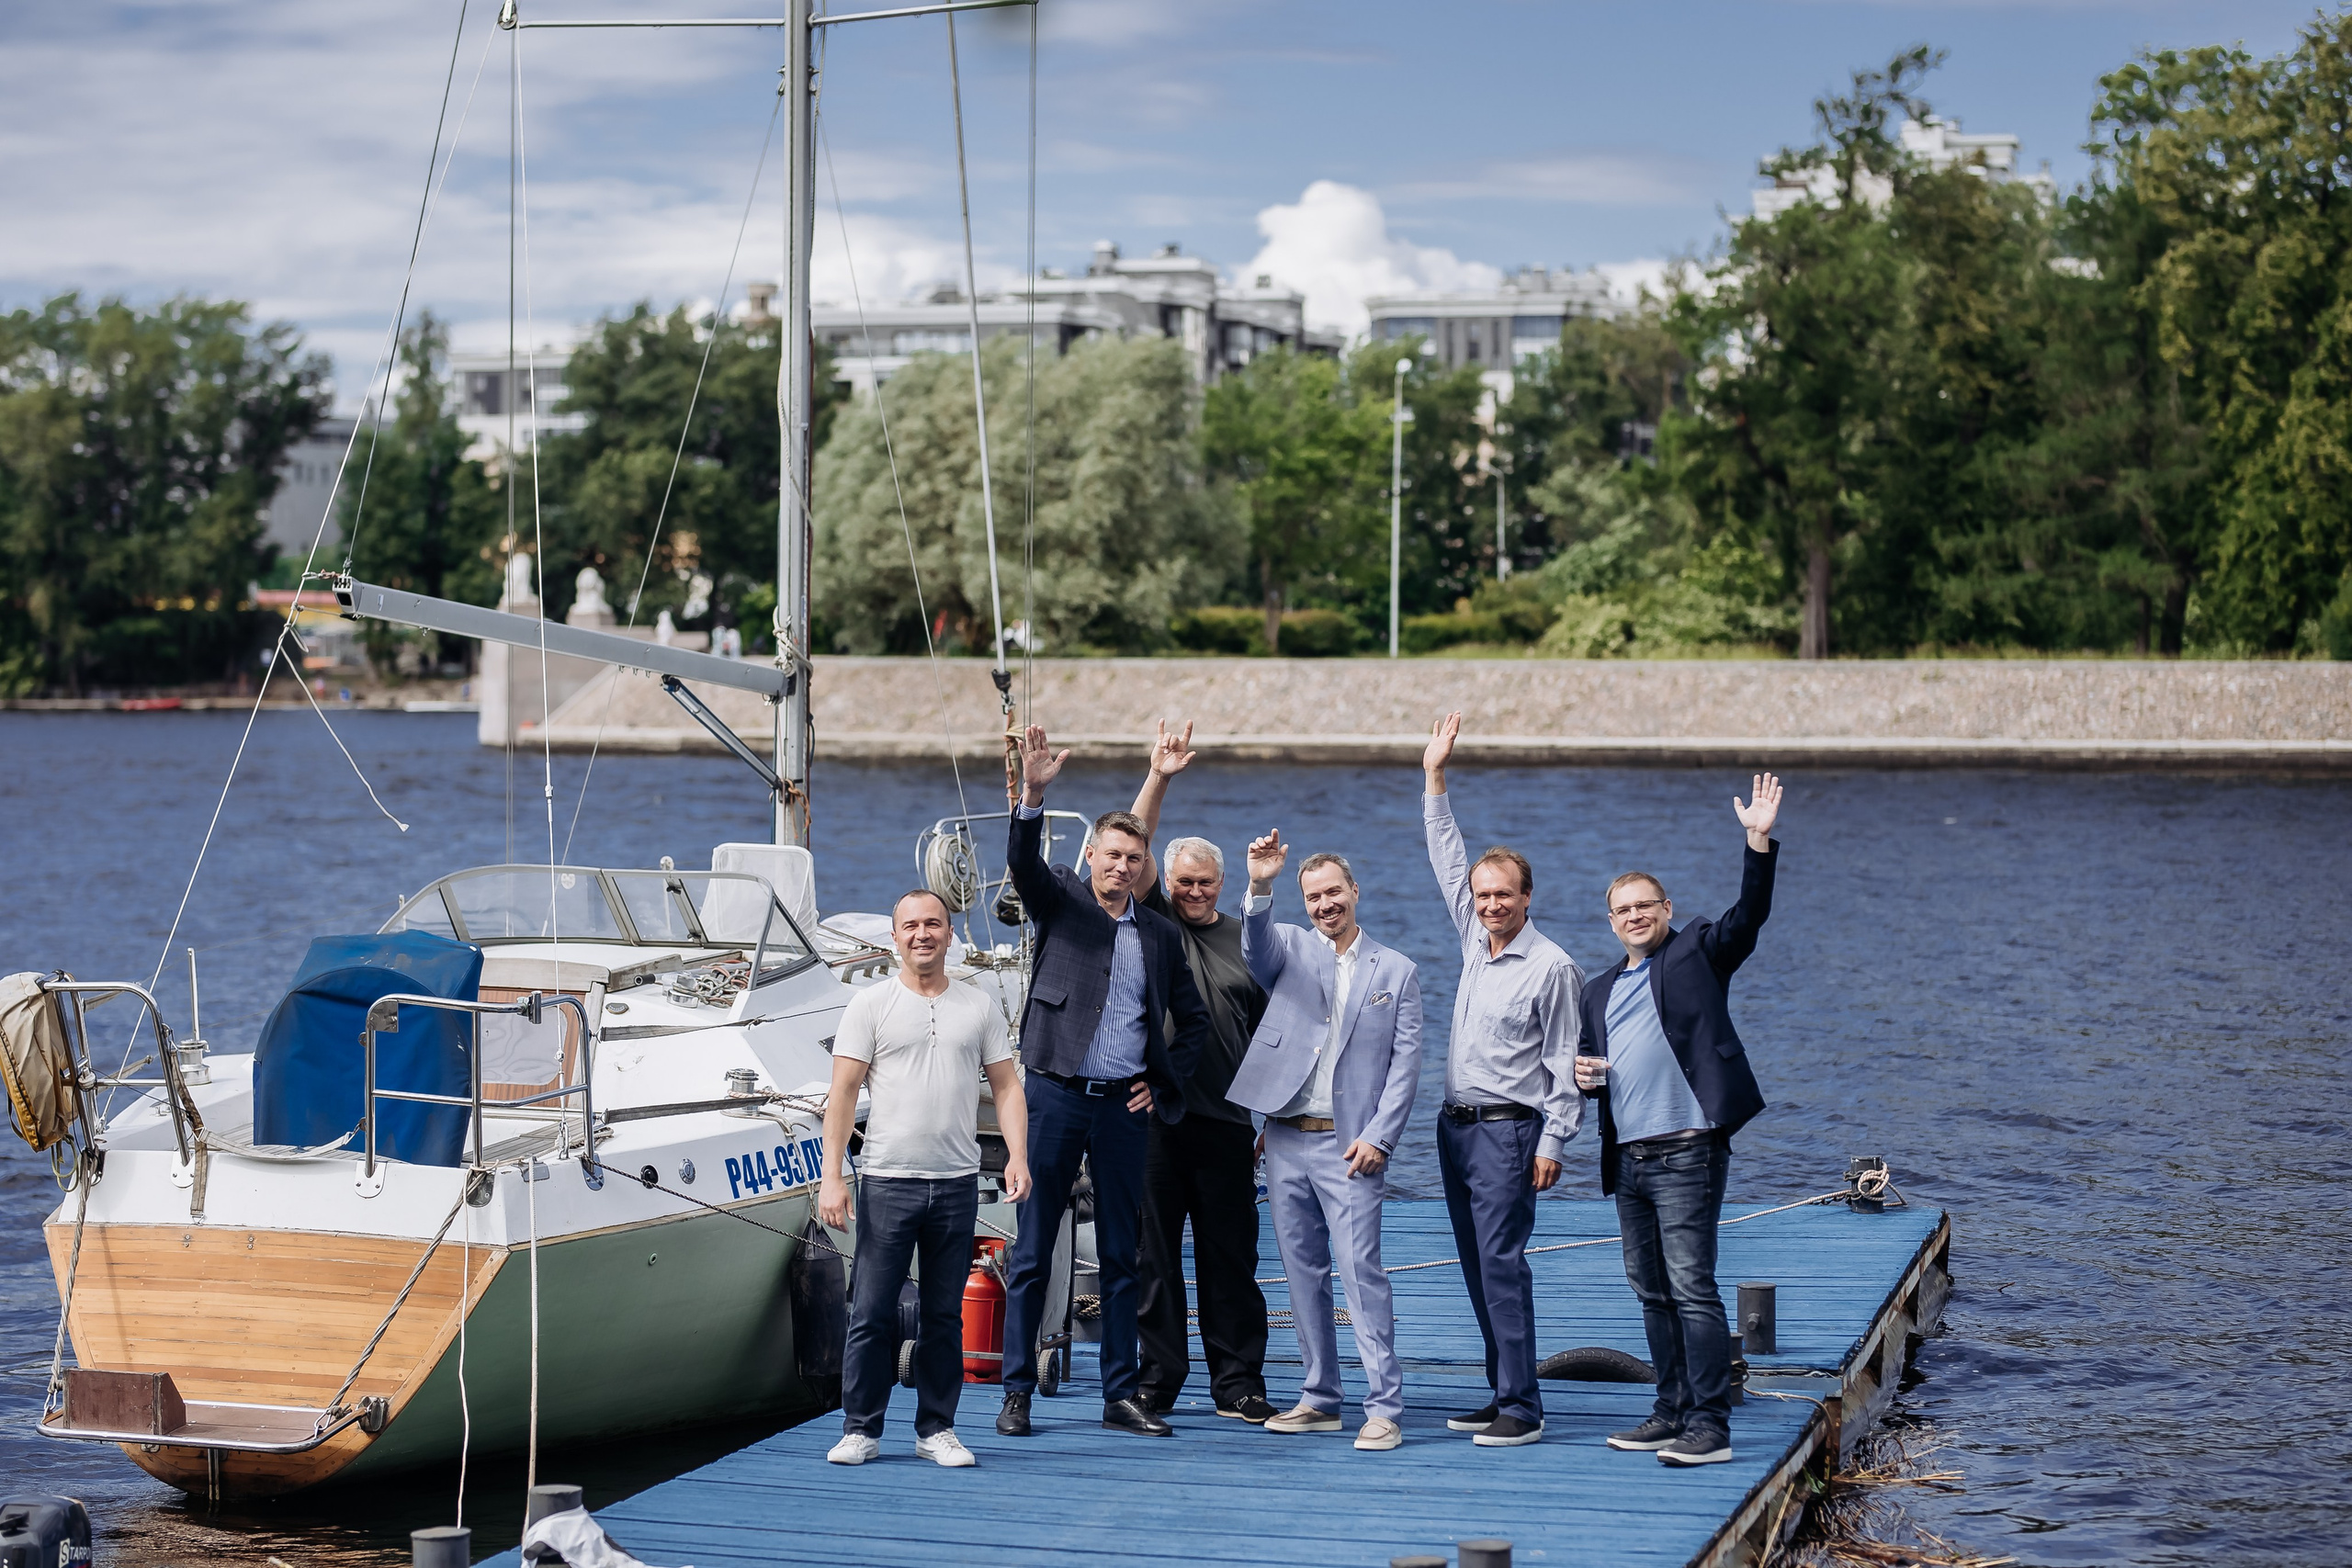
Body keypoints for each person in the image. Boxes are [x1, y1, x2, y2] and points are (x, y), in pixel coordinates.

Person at [995, 724, 1212, 1440]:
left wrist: (1161, 1078)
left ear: (1144, 865)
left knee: (1126, 1253)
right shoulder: (1060, 900)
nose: (1122, 865)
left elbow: (1195, 1021)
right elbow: (1022, 858)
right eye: (1112, 854)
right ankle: (1017, 1390)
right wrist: (1033, 793)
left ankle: (1120, 1392)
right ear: (1090, 856)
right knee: (1031, 1251)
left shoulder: (1158, 935)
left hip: (1123, 1106)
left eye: (1133, 856)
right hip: (1053, 1094)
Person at [1577, 773, 1782, 1469]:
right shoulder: (1597, 989)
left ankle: (1709, 1424)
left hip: (1688, 1151)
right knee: (1651, 1289)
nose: (1634, 916)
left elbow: (1748, 916)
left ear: (1667, 908)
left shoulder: (1698, 949)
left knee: (1692, 1287)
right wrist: (1583, 1078)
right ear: (1610, 922)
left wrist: (1757, 839)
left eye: (1645, 905)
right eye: (1622, 910)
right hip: (1630, 1157)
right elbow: (1595, 1065)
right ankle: (1668, 1410)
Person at [819, 890, 1033, 1468]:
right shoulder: (871, 1005)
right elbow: (841, 1094)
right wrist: (832, 1176)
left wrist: (1017, 1156)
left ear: (949, 933)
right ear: (895, 937)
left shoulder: (978, 1005)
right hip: (887, 1180)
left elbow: (1008, 1086)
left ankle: (936, 1428)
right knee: (871, 1310)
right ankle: (861, 1427)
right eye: (910, 926)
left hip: (957, 1182)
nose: (922, 935)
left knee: (943, 1314)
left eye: (933, 924)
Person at [1227, 828, 1423, 1451]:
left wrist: (1380, 1138)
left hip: (1351, 1145)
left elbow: (1406, 1066)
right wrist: (1261, 883)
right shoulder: (1287, 946)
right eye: (1312, 896)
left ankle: (1384, 1405)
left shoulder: (1397, 970)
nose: (1323, 904)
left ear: (1354, 891)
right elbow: (1254, 946)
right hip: (1284, 1137)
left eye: (1332, 892)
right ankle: (1319, 1396)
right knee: (1301, 1271)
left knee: (1361, 1270)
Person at [1419, 711, 1585, 1448]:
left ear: (1527, 897)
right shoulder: (1474, 939)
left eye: (1502, 895)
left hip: (1510, 1132)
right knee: (1474, 1263)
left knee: (1502, 1264)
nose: (1489, 903)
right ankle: (1501, 1389)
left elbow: (1565, 1063)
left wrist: (1555, 1140)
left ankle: (1524, 1406)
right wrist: (1435, 775)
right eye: (1483, 896)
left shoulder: (1552, 966)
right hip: (1454, 1127)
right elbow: (1446, 858)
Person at [1125, 721, 1278, 1424]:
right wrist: (1160, 775)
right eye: (1181, 880)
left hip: (1226, 1120)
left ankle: (1238, 1380)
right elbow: (1137, 841)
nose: (1191, 890)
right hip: (1155, 1116)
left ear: (1221, 883)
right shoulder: (1153, 921)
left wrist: (1275, 1117)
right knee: (1154, 1259)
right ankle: (1157, 1378)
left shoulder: (1249, 936)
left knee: (1230, 1257)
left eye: (1203, 882)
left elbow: (1285, 1034)